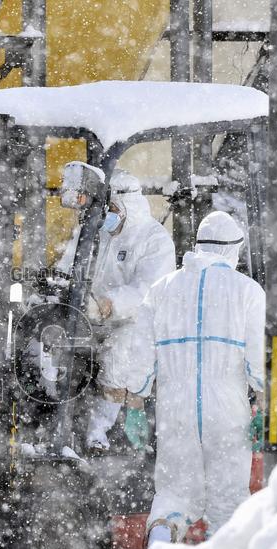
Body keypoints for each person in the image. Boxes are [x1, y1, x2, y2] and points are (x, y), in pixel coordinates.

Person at [128, 212, 265, 544]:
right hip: (227, 409)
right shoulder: (247, 291)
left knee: (174, 494)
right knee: (229, 503)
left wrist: (135, 401)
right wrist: (263, 405)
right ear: (233, 248)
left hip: (175, 407)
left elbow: (140, 353)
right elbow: (259, 361)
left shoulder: (161, 289)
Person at [57, 169, 175, 452]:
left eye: (111, 208)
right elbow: (65, 267)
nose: (106, 214)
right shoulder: (96, 232)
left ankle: (98, 433)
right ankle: (55, 427)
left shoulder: (154, 240)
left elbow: (149, 290)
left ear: (126, 205)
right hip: (90, 318)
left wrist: (109, 303)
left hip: (133, 324)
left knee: (119, 356)